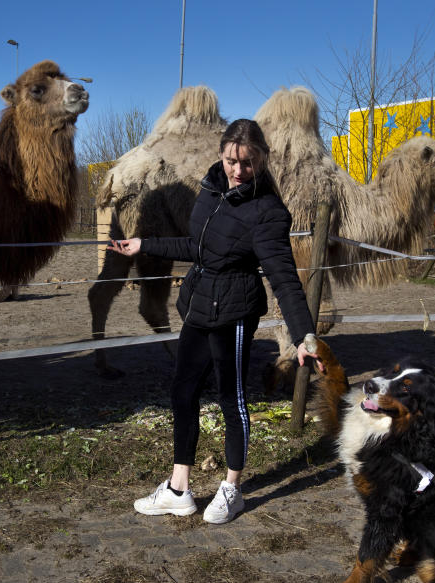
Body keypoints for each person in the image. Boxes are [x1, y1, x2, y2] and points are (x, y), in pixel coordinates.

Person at [108, 118, 323, 524]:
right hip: (198, 306)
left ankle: (231, 489)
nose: (238, 170)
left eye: (247, 162)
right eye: (231, 160)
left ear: (261, 159)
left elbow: (283, 276)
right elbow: (198, 246)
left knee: (232, 401)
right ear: (221, 155)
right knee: (182, 392)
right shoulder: (211, 189)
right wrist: (143, 244)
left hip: (235, 315)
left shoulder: (268, 212)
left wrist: (304, 335)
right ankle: (178, 489)